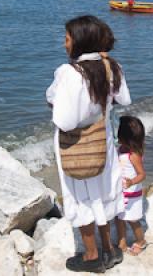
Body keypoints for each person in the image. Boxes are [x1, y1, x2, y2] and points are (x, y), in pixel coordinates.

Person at [47, 15, 131, 273]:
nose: (64, 44)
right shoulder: (110, 66)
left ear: (80, 41)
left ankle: (92, 255)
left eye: (67, 38)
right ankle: (109, 250)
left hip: (77, 146)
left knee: (80, 197)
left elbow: (64, 121)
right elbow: (124, 100)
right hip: (102, 141)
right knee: (103, 192)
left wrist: (54, 98)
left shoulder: (69, 73)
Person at [114, 115, 148, 255]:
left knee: (133, 220)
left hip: (132, 195)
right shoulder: (121, 149)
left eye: (119, 136)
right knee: (119, 217)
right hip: (120, 192)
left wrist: (132, 181)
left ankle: (141, 241)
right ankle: (121, 242)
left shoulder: (133, 155)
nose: (118, 139)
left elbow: (142, 174)